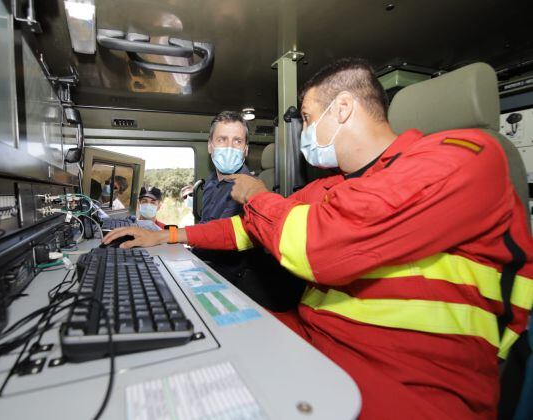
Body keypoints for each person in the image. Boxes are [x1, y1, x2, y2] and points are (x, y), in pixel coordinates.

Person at [103, 58, 533, 418]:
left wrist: (257, 195)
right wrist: (167, 236)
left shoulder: (465, 158)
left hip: (412, 380)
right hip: (316, 344)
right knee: (180, 352)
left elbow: (317, 248)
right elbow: (244, 228)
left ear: (342, 108)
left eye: (307, 119)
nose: (305, 133)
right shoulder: (335, 185)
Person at [200, 110, 251, 223]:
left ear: (246, 150)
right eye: (222, 140)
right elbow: (205, 224)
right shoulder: (210, 182)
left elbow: (221, 235)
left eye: (237, 141)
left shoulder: (249, 191)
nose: (229, 147)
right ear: (210, 146)